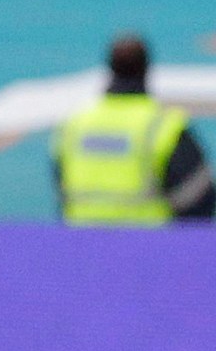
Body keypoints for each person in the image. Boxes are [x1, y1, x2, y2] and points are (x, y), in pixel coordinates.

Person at [52, 35, 214, 225]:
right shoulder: (163, 126)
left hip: (82, 244)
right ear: (146, 68)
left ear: (110, 68)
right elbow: (198, 198)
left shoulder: (75, 125)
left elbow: (60, 184)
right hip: (148, 245)